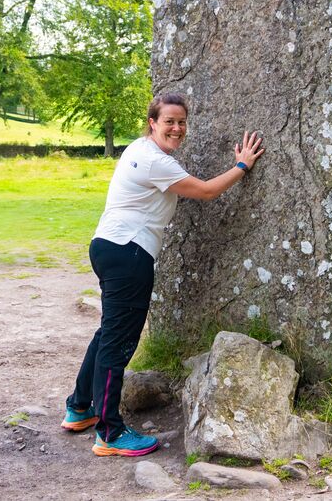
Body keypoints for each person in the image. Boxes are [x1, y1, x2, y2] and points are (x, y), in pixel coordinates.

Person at [61, 92, 264, 457]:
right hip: (129, 253)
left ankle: (80, 407)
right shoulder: (155, 162)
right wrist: (242, 166)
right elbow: (204, 191)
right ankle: (109, 432)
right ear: (152, 122)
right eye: (169, 120)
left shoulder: (138, 150)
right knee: (118, 341)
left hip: (108, 245)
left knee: (109, 331)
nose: (177, 127)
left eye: (182, 121)